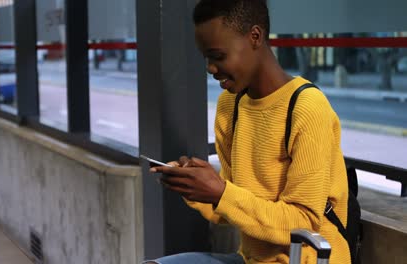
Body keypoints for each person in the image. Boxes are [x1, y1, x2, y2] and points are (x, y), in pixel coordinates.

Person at [144, 0, 350, 263]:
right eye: (206, 58)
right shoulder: (231, 105)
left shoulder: (307, 108)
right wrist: (196, 186)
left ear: (255, 37)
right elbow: (229, 209)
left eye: (218, 56)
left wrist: (221, 192)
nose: (210, 68)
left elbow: (303, 222)